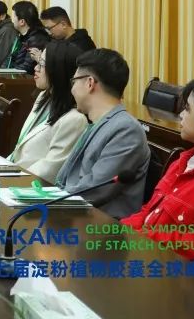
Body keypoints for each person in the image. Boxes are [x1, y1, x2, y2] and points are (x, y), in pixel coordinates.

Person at [122, 78, 194, 267]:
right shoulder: (183, 161)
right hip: (145, 255)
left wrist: (140, 235)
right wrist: (117, 231)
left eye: (187, 109)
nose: (180, 115)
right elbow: (149, 212)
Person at [55, 49, 149, 220]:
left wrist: (49, 200)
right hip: (74, 214)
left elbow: (96, 190)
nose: (72, 89)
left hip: (99, 226)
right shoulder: (99, 122)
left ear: (89, 83)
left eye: (74, 82)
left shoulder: (126, 130)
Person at [8, 41, 88, 180]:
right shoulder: (44, 97)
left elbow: (49, 171)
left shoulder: (75, 120)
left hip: (30, 184)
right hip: (14, 173)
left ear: (58, 71)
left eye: (41, 64)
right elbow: (19, 149)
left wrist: (9, 178)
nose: (36, 68)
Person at [7, 1, 50, 73]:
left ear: (22, 22)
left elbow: (27, 67)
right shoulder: (22, 36)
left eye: (13, 17)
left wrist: (7, 71)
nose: (12, 20)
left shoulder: (37, 39)